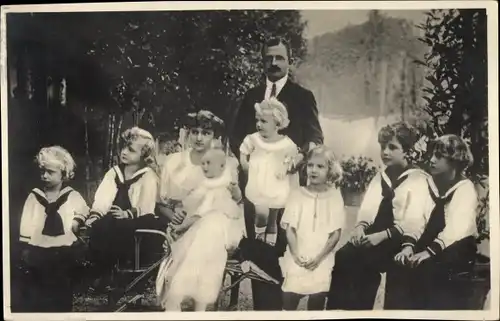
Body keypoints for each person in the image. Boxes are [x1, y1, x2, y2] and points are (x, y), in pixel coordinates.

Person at [230, 36, 323, 311]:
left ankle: (284, 309)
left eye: (279, 57)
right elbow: (236, 138)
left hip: (288, 187)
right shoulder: (251, 97)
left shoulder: (303, 97)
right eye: (269, 58)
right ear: (263, 61)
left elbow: (315, 138)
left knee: (283, 248)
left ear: (289, 61)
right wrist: (249, 164)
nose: (273, 63)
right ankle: (263, 311)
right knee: (258, 250)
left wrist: (299, 157)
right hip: (255, 189)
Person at [326, 122, 430, 310]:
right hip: (375, 233)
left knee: (371, 260)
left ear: (406, 150)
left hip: (400, 237)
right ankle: (343, 310)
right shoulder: (380, 177)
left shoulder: (418, 178)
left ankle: (362, 307)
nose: (385, 152)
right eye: (383, 147)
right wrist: (360, 227)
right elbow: (368, 207)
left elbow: (413, 219)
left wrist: (381, 236)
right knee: (345, 255)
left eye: (392, 147)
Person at [155, 110, 244, 311]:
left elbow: (235, 200)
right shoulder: (174, 162)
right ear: (187, 133)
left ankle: (187, 301)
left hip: (221, 221)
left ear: (216, 137)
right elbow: (161, 202)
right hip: (181, 222)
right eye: (194, 132)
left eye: (206, 133)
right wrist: (173, 216)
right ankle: (192, 303)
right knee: (201, 234)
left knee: (209, 227)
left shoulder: (226, 163)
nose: (199, 138)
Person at [385, 134, 478, 310]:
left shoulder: (466, 189)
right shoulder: (427, 183)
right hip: (428, 242)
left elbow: (455, 229)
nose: (432, 160)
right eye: (433, 154)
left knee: (426, 270)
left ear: (454, 161)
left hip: (455, 247)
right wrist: (408, 246)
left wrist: (428, 252)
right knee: (399, 265)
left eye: (439, 156)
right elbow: (416, 218)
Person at [85, 127, 160, 292]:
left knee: (121, 227)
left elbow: (146, 205)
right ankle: (103, 272)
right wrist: (95, 215)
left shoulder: (148, 176)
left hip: (139, 219)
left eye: (131, 150)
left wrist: (127, 214)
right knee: (101, 225)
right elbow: (103, 198)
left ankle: (118, 274)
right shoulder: (114, 173)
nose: (124, 152)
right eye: (123, 147)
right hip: (114, 217)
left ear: (143, 155)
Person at [18, 146, 89, 312]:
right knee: (39, 286)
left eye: (50, 172)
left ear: (63, 174)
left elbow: (84, 209)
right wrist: (25, 246)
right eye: (42, 171)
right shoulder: (34, 197)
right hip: (39, 248)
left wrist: (77, 221)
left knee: (62, 287)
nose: (45, 176)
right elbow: (26, 221)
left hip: (64, 249)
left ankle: (62, 310)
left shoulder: (72, 195)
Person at [280, 146, 346, 311]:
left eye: (320, 166)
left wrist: (319, 258)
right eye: (310, 165)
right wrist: (295, 255)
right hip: (298, 254)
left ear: (330, 170)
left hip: (321, 258)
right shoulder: (297, 194)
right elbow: (290, 228)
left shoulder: (334, 196)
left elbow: (335, 233)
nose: (313, 170)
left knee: (317, 301)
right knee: (289, 298)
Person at [239, 97, 302, 245]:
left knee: (273, 218)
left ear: (277, 124)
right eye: (257, 121)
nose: (259, 125)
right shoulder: (253, 139)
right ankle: (259, 238)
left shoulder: (286, 143)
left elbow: (291, 159)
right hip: (259, 183)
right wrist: (244, 164)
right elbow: (243, 151)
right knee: (261, 213)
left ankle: (269, 246)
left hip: (276, 185)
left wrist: (285, 167)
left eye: (264, 121)